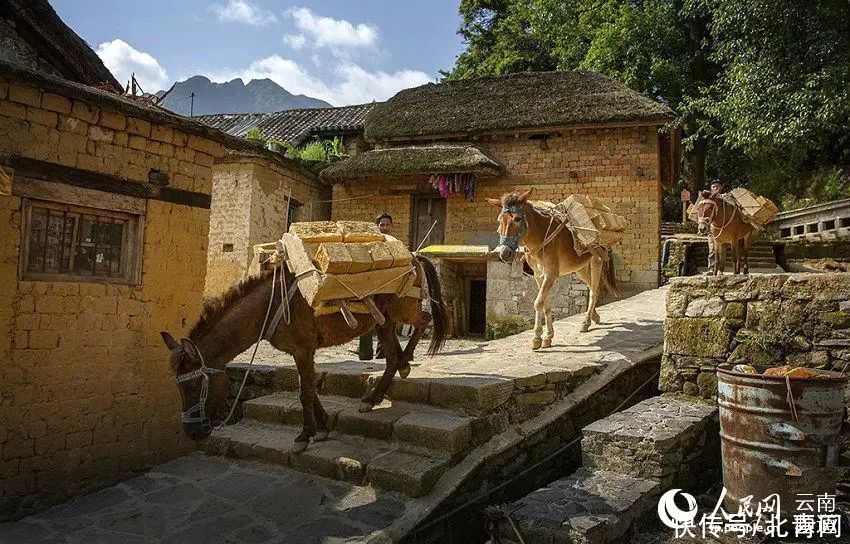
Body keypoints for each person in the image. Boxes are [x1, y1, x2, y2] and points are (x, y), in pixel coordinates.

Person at [356, 212, 394, 360]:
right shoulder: (370, 242)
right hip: (370, 286)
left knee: (387, 319)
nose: (384, 227)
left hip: (388, 286)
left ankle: (382, 353)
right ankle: (365, 353)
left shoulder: (393, 243)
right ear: (377, 226)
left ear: (391, 226)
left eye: (387, 225)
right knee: (367, 318)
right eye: (382, 224)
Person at [705, 180, 725, 273]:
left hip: (724, 230)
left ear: (721, 188)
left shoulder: (725, 198)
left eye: (717, 186)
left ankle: (721, 268)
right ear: (711, 189)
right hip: (712, 229)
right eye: (713, 187)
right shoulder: (707, 200)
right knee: (712, 249)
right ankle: (711, 268)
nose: (716, 188)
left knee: (721, 250)